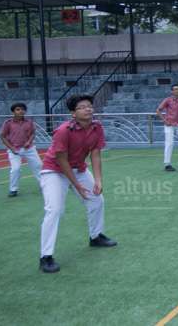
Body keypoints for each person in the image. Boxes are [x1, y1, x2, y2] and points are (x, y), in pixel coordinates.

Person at [38, 94, 116, 274]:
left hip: (79, 168)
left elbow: (95, 154)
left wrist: (98, 180)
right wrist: (77, 186)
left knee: (97, 200)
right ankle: (46, 256)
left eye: (89, 106)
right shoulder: (63, 130)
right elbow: (62, 160)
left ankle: (95, 237)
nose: (88, 109)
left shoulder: (97, 127)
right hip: (54, 171)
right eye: (82, 107)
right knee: (55, 210)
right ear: (73, 113)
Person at [0, 102, 42, 197]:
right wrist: (11, 148)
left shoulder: (29, 122)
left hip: (29, 149)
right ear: (13, 112)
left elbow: (33, 133)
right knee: (15, 169)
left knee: (38, 166)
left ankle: (43, 184)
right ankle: (13, 189)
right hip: (14, 150)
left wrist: (29, 141)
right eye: (18, 109)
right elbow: (2, 136)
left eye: (23, 109)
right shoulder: (8, 123)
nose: (21, 111)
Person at [156, 84, 178, 171]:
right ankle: (167, 164)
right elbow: (158, 110)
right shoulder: (167, 100)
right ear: (172, 91)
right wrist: (164, 121)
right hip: (169, 125)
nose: (177, 91)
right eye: (175, 89)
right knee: (170, 143)